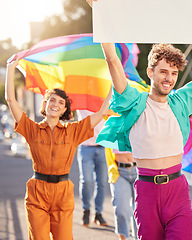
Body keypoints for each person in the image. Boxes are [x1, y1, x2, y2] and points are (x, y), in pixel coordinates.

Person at [87, 1, 192, 239]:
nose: (169, 78)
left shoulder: (181, 102)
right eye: (163, 71)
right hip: (146, 190)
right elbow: (112, 61)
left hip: (177, 190)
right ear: (150, 72)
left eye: (174, 73)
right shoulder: (133, 101)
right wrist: (98, 13)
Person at [5, 56, 112, 240]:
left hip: (63, 193)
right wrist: (10, 68)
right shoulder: (32, 129)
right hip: (37, 193)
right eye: (52, 100)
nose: (55, 104)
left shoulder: (74, 131)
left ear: (64, 111)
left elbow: (103, 112)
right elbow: (11, 100)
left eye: (60, 103)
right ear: (45, 104)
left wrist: (114, 78)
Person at [77, 110, 108, 226]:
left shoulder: (102, 98)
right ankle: (86, 210)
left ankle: (98, 213)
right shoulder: (83, 99)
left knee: (102, 183)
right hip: (85, 147)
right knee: (87, 180)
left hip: (103, 146)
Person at [105, 149, 137, 240]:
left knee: (140, 210)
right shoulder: (114, 133)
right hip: (118, 171)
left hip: (139, 169)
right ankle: (123, 237)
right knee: (121, 208)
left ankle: (138, 237)